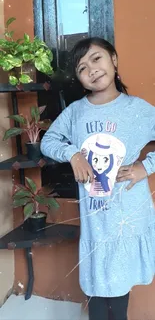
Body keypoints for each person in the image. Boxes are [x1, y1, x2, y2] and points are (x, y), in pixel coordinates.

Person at [40, 37, 155, 320]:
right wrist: (72, 154)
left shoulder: (139, 110)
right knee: (96, 287)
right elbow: (48, 141)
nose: (91, 69)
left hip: (128, 214)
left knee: (118, 292)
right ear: (79, 79)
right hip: (96, 220)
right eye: (82, 67)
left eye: (96, 58)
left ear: (113, 59)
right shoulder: (76, 112)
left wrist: (146, 168)